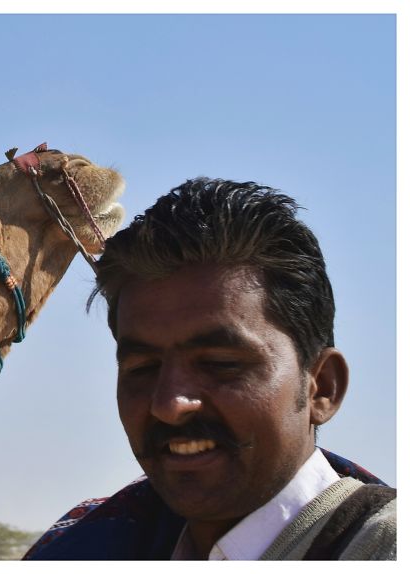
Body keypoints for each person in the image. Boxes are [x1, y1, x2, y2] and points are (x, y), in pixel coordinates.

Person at [23, 178, 396, 560]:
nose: (169, 404)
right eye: (144, 368)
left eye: (221, 364)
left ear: (322, 388)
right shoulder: (86, 548)